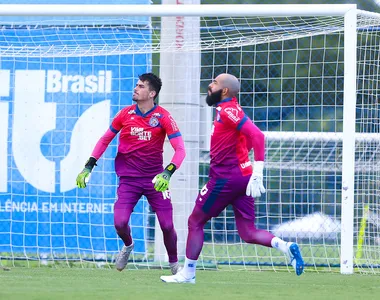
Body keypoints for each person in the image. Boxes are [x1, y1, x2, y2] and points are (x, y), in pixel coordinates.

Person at [160, 73, 304, 284]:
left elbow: (258, 136)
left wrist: (258, 170)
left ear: (224, 91)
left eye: (215, 83)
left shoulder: (228, 111)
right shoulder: (229, 110)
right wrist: (250, 170)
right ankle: (285, 246)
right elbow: (244, 140)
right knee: (248, 232)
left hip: (225, 179)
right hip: (242, 179)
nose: (210, 85)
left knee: (195, 221)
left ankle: (188, 273)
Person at [76, 73, 186, 275]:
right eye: (136, 85)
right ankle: (128, 246)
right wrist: (89, 165)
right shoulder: (124, 114)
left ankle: (174, 266)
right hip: (129, 181)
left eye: (141, 86)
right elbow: (104, 140)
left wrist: (168, 173)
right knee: (119, 222)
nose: (135, 89)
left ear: (152, 93)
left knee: (167, 225)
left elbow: (180, 150)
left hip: (155, 180)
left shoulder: (163, 117)